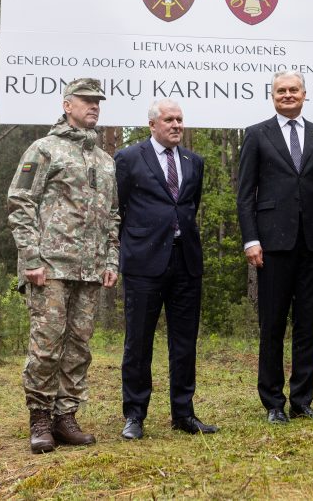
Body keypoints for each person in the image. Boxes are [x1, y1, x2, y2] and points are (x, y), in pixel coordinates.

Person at [7, 77, 120, 454]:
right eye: (87, 100)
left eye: (98, 101)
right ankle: (40, 417)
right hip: (50, 266)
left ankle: (65, 417)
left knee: (79, 346)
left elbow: (113, 215)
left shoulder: (105, 161)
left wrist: (111, 258)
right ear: (67, 104)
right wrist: (31, 258)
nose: (94, 106)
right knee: (46, 345)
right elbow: (20, 202)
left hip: (89, 269)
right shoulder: (44, 149)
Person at [237, 70, 313, 423]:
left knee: (308, 324)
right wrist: (251, 239)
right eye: (281, 90)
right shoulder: (256, 134)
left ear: (304, 94)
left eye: (293, 90)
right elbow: (245, 194)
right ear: (273, 96)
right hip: (272, 245)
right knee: (272, 324)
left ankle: (301, 399)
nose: (287, 95)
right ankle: (273, 402)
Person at [114, 99, 217, 440]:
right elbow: (120, 208)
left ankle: (184, 413)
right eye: (169, 119)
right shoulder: (129, 158)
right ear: (153, 125)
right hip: (144, 262)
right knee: (139, 342)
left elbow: (188, 207)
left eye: (180, 119)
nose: (176, 125)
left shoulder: (194, 162)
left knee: (184, 342)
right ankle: (135, 415)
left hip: (185, 261)